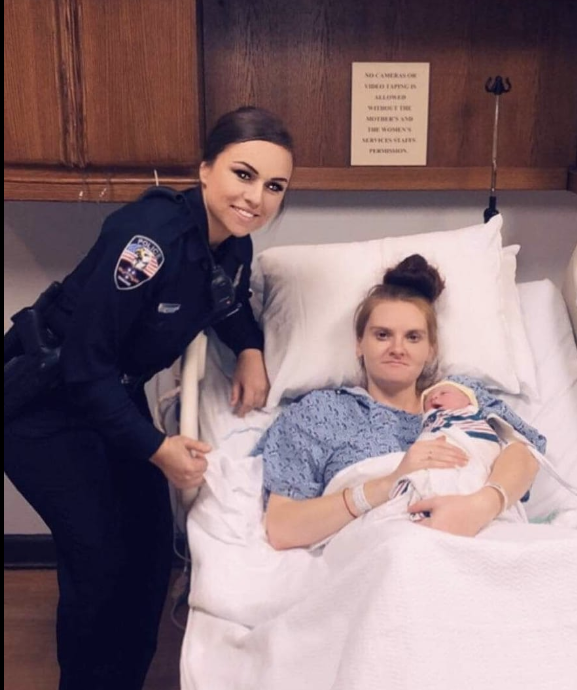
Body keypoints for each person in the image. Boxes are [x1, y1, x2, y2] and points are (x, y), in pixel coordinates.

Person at [3, 106, 294, 690]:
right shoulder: (148, 239)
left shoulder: (232, 247)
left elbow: (226, 302)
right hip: (43, 403)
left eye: (274, 186)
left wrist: (250, 349)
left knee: (151, 557)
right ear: (206, 169)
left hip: (109, 397)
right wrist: (157, 447)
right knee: (99, 561)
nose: (256, 197)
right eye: (243, 174)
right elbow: (85, 368)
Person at [259, 254, 544, 551]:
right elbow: (283, 528)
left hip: (486, 535)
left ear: (431, 349)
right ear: (359, 344)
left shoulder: (461, 395)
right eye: (382, 335)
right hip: (386, 548)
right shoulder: (321, 412)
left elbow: (525, 454)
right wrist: (389, 483)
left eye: (413, 337)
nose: (397, 349)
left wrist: (479, 507)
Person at [396, 380, 528, 523]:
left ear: (469, 401)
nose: (434, 397)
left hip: (474, 471)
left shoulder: (475, 419)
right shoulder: (429, 426)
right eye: (428, 400)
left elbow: (517, 448)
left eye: (443, 393)